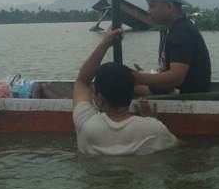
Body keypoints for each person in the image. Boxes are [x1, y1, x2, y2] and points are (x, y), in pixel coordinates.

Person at [72, 27, 178, 155]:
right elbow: (183, 146)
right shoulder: (154, 129)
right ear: (131, 93)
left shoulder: (85, 125)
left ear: (100, 99)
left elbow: (82, 81)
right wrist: (152, 120)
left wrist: (105, 42)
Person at [134, 0, 212, 95]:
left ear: (169, 7)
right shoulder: (168, 30)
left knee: (124, 88)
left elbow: (176, 77)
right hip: (174, 90)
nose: (148, 12)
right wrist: (146, 76)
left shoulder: (182, 31)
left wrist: (137, 78)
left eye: (152, 6)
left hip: (187, 96)